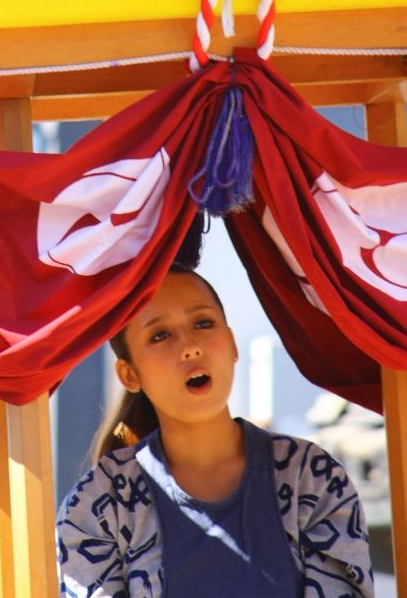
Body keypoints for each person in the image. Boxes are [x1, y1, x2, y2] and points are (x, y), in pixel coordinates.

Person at [57, 248, 374, 597]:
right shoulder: (100, 503)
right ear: (130, 374)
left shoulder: (311, 478)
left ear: (233, 343)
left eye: (203, 323)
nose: (190, 347)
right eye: (160, 335)